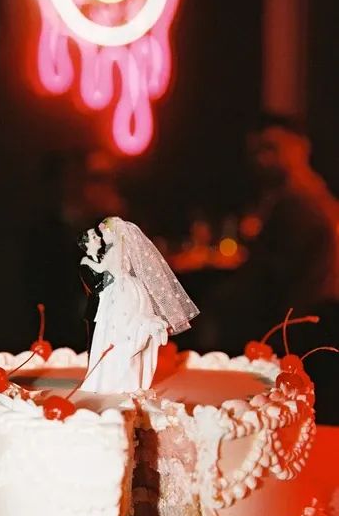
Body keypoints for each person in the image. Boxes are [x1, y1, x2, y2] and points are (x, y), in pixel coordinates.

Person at [200, 112, 339, 355]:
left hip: (295, 332)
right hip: (308, 326)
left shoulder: (298, 204)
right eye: (256, 152)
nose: (262, 159)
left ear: (301, 147)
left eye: (271, 148)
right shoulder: (315, 195)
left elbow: (266, 283)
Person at [80, 217, 199, 393]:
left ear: (113, 232)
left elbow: (101, 269)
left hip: (119, 292)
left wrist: (86, 261)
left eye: (104, 233)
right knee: (125, 328)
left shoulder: (113, 251)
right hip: (131, 289)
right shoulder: (122, 250)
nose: (102, 237)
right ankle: (132, 367)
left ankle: (116, 378)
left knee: (116, 331)